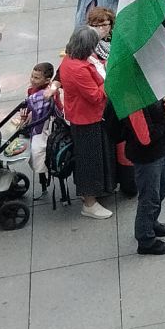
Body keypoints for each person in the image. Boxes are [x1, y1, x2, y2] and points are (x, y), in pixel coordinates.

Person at [57, 25, 117, 219]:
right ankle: (89, 203)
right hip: (87, 119)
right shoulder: (78, 69)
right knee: (90, 161)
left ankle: (96, 193)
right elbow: (96, 96)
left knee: (94, 157)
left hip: (86, 116)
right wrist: (108, 81)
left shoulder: (70, 60)